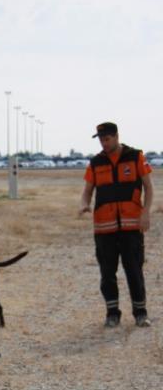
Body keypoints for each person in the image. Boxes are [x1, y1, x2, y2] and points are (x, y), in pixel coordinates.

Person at [80, 121, 154, 327]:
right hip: (104, 228)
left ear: (116, 136)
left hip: (132, 226)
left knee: (134, 270)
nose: (104, 143)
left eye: (107, 139)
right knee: (107, 273)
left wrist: (146, 212)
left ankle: (140, 313)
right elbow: (87, 191)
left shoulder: (135, 157)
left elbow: (149, 187)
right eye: (101, 140)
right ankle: (112, 314)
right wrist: (84, 204)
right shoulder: (95, 163)